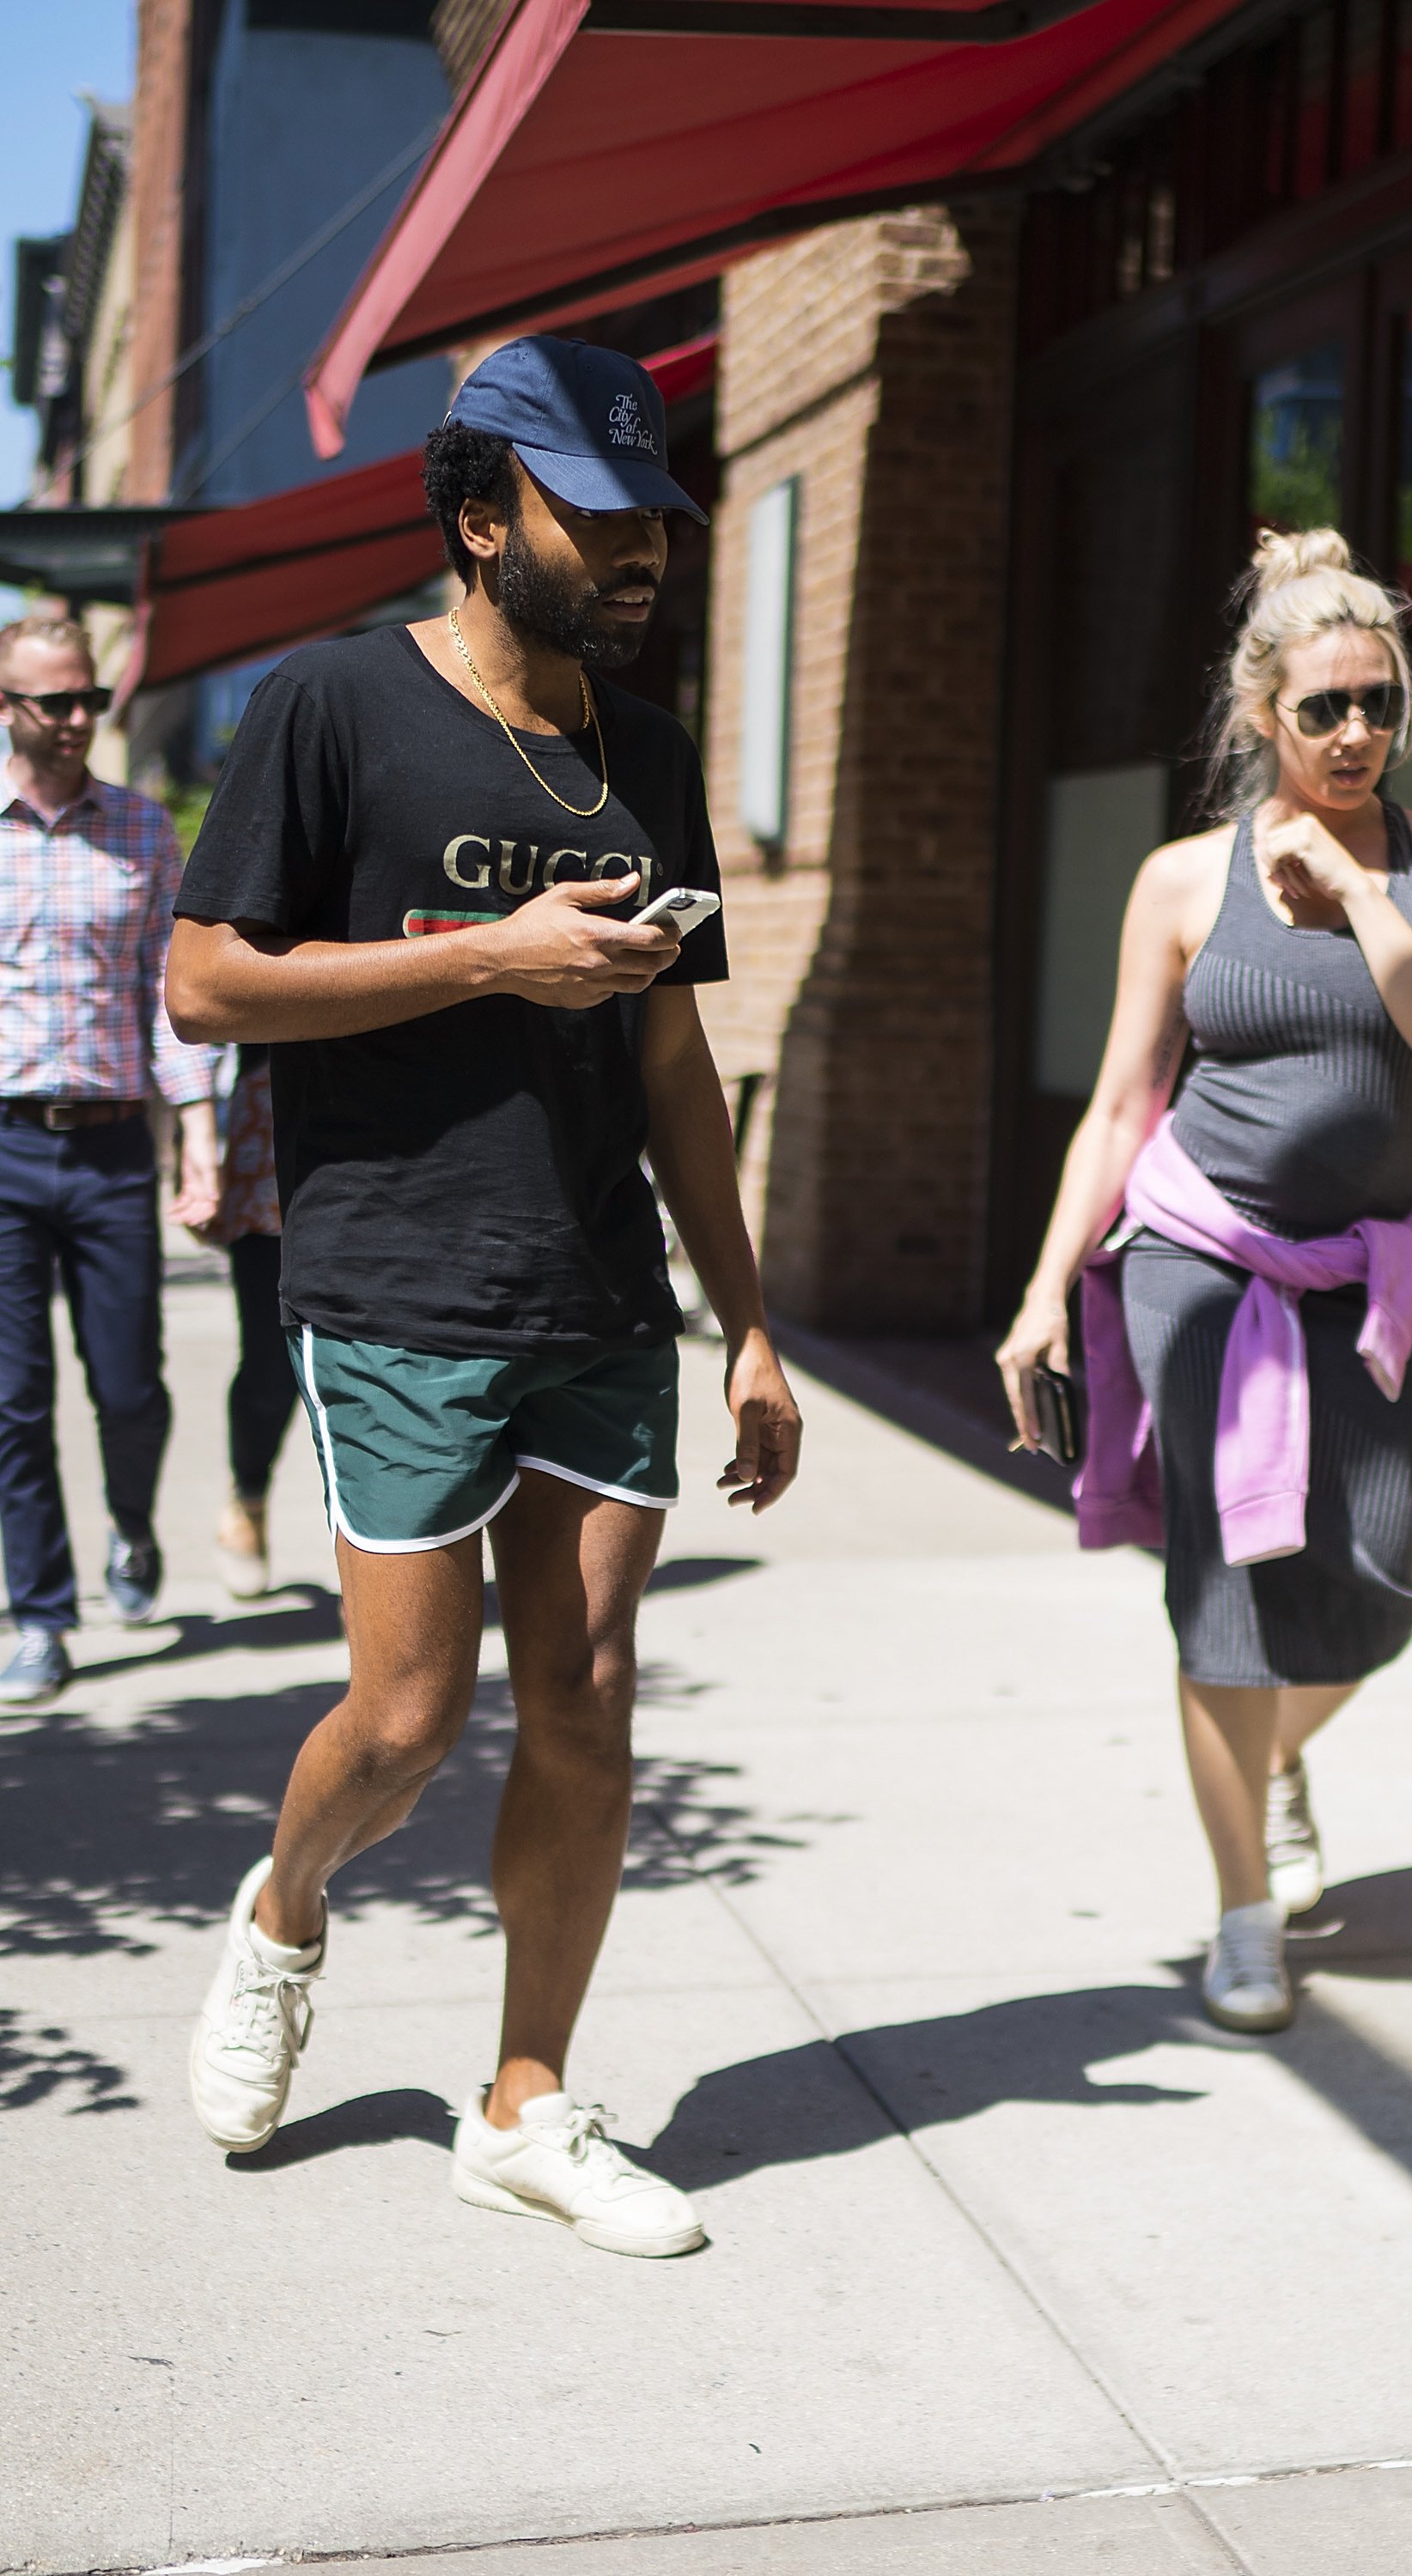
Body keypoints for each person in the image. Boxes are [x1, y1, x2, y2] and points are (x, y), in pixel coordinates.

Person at [167, 337, 801, 2257]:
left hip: (597, 1291)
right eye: (595, 521)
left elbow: (677, 1064)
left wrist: (751, 1318)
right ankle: (285, 1911)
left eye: (655, 527)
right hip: (399, 1281)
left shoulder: (651, 751)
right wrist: (489, 962)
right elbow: (206, 984)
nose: (640, 557)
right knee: (410, 1716)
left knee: (591, 1707)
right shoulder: (335, 704)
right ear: (475, 517)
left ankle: (524, 2101)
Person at [998, 529, 1412, 2035]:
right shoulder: (1179, 884)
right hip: (1204, 1265)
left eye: (1377, 701)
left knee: (1373, 1594)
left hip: (1376, 1279)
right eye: (1322, 710)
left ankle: (1270, 1763)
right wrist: (1045, 1293)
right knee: (1224, 1599)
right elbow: (1119, 1101)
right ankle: (1243, 1918)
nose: (1354, 731)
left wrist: (1361, 904)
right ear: (1261, 720)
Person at [0, 615, 220, 1708]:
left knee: (128, 1386)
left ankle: (132, 1526)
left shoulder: (140, 829)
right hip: (1, 1149)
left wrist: (203, 1145)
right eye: (55, 703)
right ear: (9, 708)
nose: (79, 719)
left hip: (112, 1148)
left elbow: (169, 1004)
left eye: (90, 699)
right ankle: (41, 1616)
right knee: (12, 1400)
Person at [199, 1043, 296, 1597]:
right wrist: (194, 1150)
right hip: (274, 1142)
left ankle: (377, 1554)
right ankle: (249, 1494)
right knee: (269, 1369)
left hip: (409, 1150)